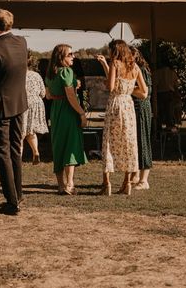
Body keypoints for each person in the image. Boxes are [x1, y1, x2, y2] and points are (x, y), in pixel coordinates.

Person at [0, 8, 29, 216]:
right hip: (19, 103)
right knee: (15, 150)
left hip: (1, 106)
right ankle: (17, 195)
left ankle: (11, 202)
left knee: (2, 153)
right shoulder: (22, 42)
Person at [95, 40, 147, 195]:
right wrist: (128, 89)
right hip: (128, 105)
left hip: (115, 104)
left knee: (109, 141)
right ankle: (127, 183)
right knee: (128, 142)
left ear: (114, 51)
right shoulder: (135, 67)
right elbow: (144, 93)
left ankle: (107, 184)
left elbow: (110, 86)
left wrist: (107, 74)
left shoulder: (115, 64)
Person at [46, 44, 88, 194]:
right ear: (61, 57)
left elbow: (48, 95)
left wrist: (73, 84)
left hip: (56, 111)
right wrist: (81, 113)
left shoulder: (51, 73)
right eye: (70, 54)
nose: (73, 56)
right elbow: (70, 96)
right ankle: (70, 184)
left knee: (59, 145)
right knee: (70, 145)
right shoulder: (67, 72)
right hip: (68, 111)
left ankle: (60, 185)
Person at [19, 53, 48, 165]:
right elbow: (43, 93)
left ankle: (18, 159)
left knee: (20, 133)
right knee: (31, 131)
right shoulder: (36, 75)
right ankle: (36, 152)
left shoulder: (17, 76)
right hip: (36, 104)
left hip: (23, 104)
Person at [131, 47, 153, 190]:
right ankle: (136, 175)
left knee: (143, 141)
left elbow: (145, 92)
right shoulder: (133, 69)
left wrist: (126, 88)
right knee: (135, 142)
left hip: (141, 108)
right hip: (134, 108)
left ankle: (144, 180)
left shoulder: (141, 70)